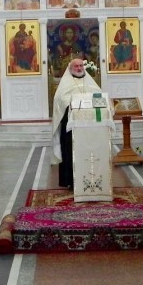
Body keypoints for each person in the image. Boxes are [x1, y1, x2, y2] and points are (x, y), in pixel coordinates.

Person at [51, 58, 102, 188]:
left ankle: (91, 177)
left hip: (89, 126)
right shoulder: (65, 83)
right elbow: (59, 100)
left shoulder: (90, 82)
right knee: (70, 151)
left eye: (81, 66)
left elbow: (99, 97)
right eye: (76, 66)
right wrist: (73, 102)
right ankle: (70, 181)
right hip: (71, 126)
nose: (79, 68)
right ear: (71, 68)